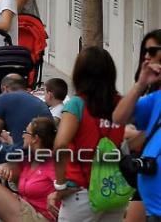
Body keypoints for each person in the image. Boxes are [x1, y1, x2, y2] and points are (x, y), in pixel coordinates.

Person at [49, 46, 125, 220]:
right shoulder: (121, 104)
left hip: (82, 193)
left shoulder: (77, 104)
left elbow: (60, 145)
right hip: (113, 191)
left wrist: (60, 186)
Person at [0, 116, 59, 222]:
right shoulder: (28, 160)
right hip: (27, 210)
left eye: (26, 132)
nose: (22, 136)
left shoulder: (51, 163)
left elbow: (69, 185)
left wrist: (56, 194)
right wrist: (0, 167)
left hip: (41, 218)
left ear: (35, 139)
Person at [111, 31, 161, 222]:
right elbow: (119, 116)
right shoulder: (156, 97)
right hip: (152, 206)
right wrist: (141, 84)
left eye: (152, 51)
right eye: (144, 52)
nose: (147, 56)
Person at [0, 74, 52, 182]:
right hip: (42, 152)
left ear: (4, 88)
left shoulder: (4, 97)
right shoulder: (39, 102)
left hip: (22, 154)